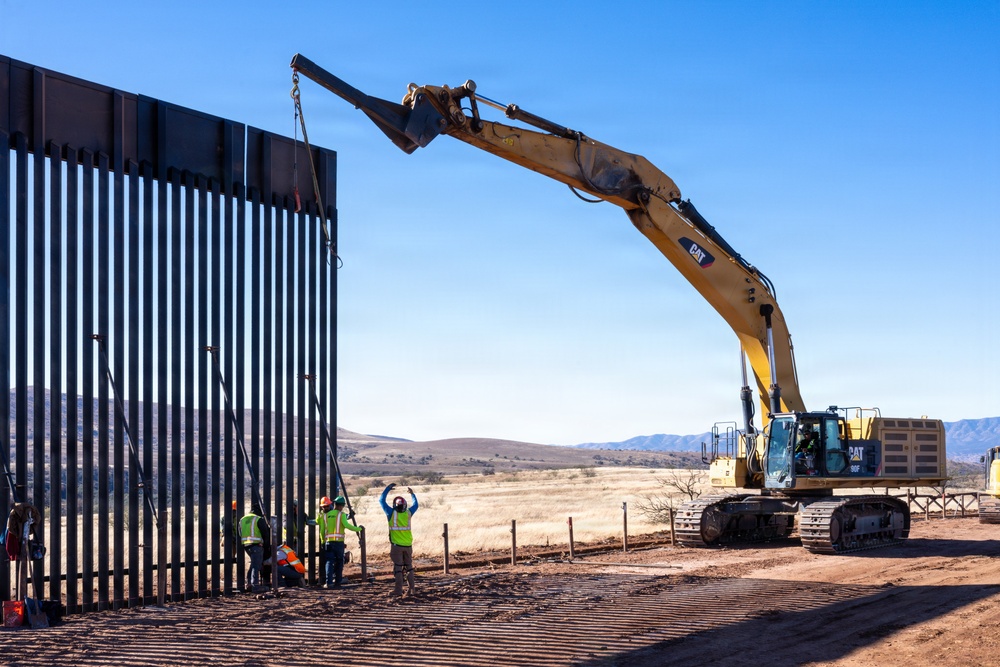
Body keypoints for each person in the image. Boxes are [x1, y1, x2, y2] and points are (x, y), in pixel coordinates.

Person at [316, 495, 363, 589]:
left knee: (329, 562)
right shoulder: (341, 515)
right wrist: (359, 529)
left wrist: (322, 542)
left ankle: (329, 583)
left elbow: (322, 531)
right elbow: (347, 525)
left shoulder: (325, 516)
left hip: (328, 542)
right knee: (339, 562)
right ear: (342, 506)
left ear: (334, 504)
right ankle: (338, 582)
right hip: (339, 543)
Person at [380, 483, 418, 597]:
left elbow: (381, 500)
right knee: (409, 567)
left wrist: (387, 489)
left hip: (397, 546)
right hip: (408, 545)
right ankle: (412, 589)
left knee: (398, 568)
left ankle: (398, 590)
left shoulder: (391, 513)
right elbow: (416, 504)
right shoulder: (409, 513)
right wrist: (412, 494)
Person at [239, 503, 271, 593]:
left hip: (246, 545)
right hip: (257, 545)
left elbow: (240, 533)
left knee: (254, 564)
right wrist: (266, 546)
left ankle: (249, 583)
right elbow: (265, 534)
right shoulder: (258, 519)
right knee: (256, 566)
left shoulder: (242, 519)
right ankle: (255, 586)